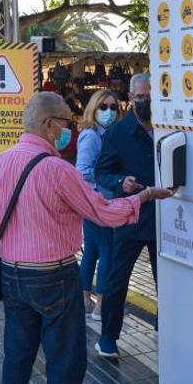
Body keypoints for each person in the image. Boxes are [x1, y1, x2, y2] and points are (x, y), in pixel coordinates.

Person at [0, 92, 174, 384]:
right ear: (48, 124)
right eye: (65, 122)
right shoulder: (57, 170)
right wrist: (145, 196)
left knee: (17, 357)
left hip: (11, 275)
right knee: (66, 361)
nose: (69, 130)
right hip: (53, 277)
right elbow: (102, 212)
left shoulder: (0, 162)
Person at [95, 73, 159, 358]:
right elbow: (102, 173)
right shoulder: (117, 133)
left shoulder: (170, 126)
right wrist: (121, 182)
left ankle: (167, 326)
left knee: (167, 280)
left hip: (166, 218)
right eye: (141, 97)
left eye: (150, 96)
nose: (146, 101)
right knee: (117, 279)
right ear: (131, 99)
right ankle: (108, 337)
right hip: (130, 215)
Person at [76, 89, 123, 320]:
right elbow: (82, 171)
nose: (109, 112)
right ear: (93, 109)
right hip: (99, 201)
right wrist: (108, 180)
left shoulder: (107, 134)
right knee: (106, 251)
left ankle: (84, 299)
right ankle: (101, 303)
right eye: (103, 107)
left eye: (114, 107)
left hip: (96, 201)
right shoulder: (92, 136)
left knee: (93, 250)